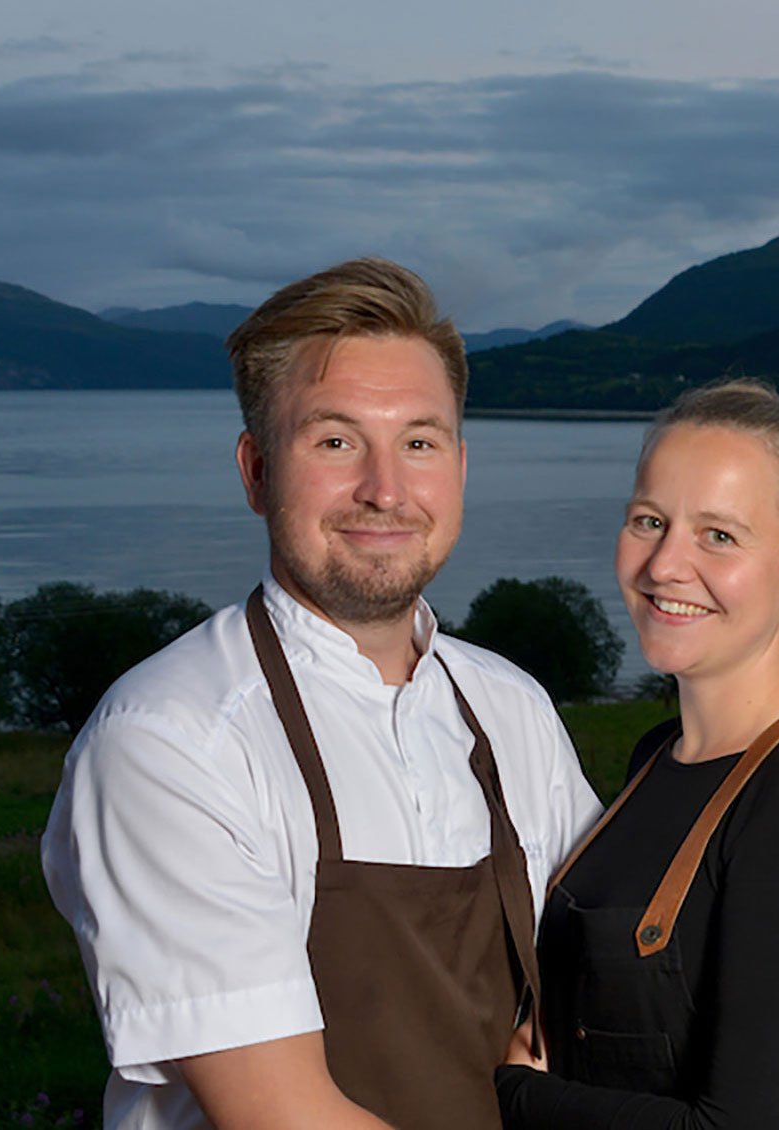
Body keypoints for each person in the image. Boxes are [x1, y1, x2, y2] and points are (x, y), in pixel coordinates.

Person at [41, 256, 603, 1130]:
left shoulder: (513, 711)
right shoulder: (168, 739)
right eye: (335, 441)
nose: (385, 489)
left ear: (460, 468)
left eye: (419, 443)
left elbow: (612, 995)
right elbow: (284, 1113)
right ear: (256, 470)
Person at [494, 380, 779, 1129]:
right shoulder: (658, 759)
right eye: (649, 521)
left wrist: (510, 1091)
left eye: (719, 535)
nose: (664, 565)